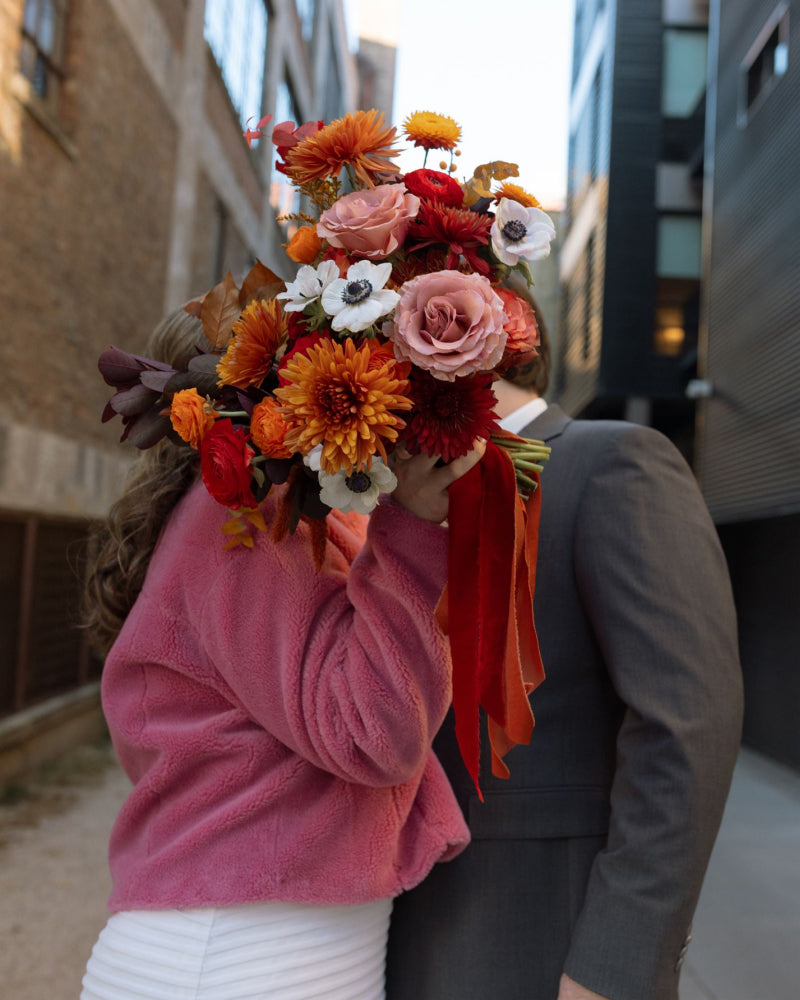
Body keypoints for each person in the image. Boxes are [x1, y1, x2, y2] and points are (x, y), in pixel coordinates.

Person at [80, 306, 484, 1000]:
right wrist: (414, 526)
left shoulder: (280, 513)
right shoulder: (247, 519)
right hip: (236, 957)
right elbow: (374, 731)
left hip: (268, 948)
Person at [386, 315, 744, 1000]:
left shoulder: (611, 463)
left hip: (544, 937)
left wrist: (616, 964)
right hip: (395, 934)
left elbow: (686, 725)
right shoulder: (399, 493)